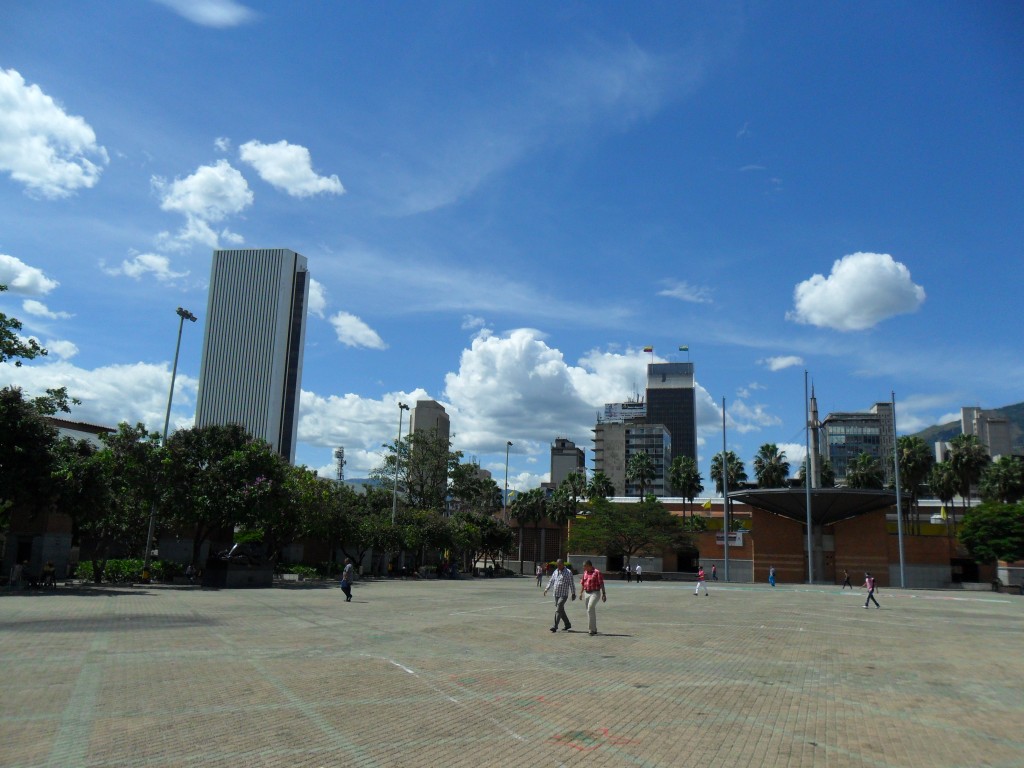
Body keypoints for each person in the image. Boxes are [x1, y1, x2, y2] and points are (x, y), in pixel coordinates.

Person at [543, 559, 576, 632]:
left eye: (560, 565)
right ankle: (567, 624)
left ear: (563, 564)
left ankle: (555, 626)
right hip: (556, 594)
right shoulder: (555, 571)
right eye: (557, 565)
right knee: (561, 610)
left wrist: (573, 593)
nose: (558, 566)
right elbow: (551, 581)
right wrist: (546, 589)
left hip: (563, 595)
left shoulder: (568, 572)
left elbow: (571, 583)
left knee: (558, 609)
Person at [579, 560, 607, 635]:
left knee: (590, 607)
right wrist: (581, 593)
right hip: (587, 593)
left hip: (595, 593)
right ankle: (594, 629)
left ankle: (591, 629)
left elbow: (601, 583)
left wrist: (604, 594)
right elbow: (583, 583)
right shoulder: (585, 573)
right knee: (590, 611)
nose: (584, 568)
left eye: (585, 566)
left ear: (589, 566)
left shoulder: (597, 572)